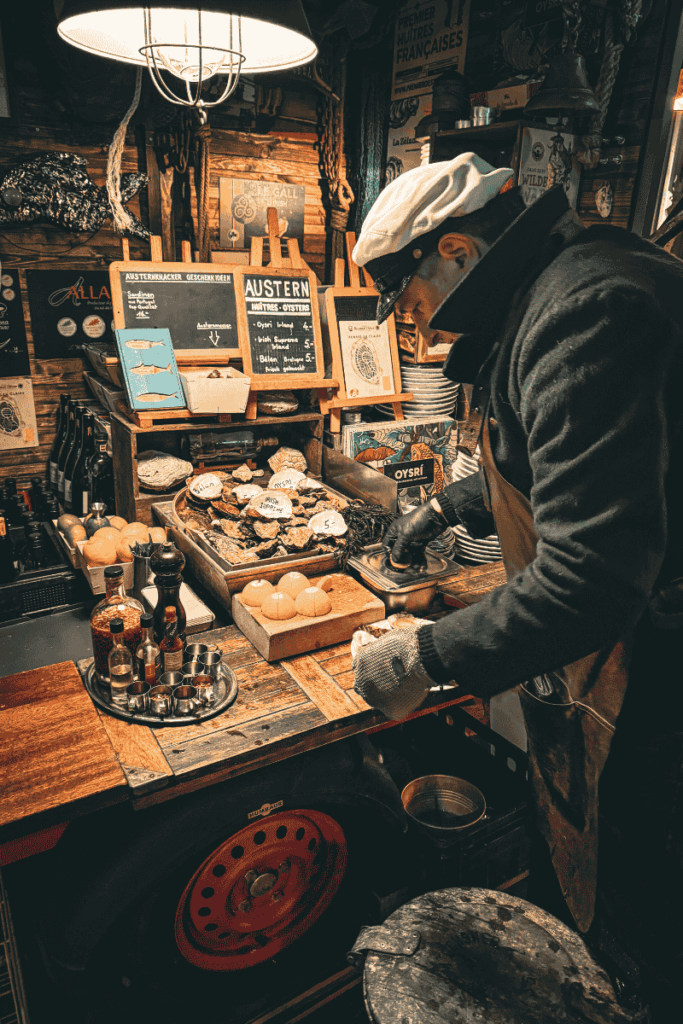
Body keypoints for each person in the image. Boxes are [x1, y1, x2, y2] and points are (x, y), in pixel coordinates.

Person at [351, 153, 683, 1019]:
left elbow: (593, 573)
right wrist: (450, 507)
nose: (413, 327)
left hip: (659, 667)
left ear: (453, 248)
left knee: (639, 909)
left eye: (408, 300)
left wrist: (425, 655)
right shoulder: (562, 280)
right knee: (589, 872)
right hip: (632, 645)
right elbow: (560, 457)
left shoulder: (584, 310)